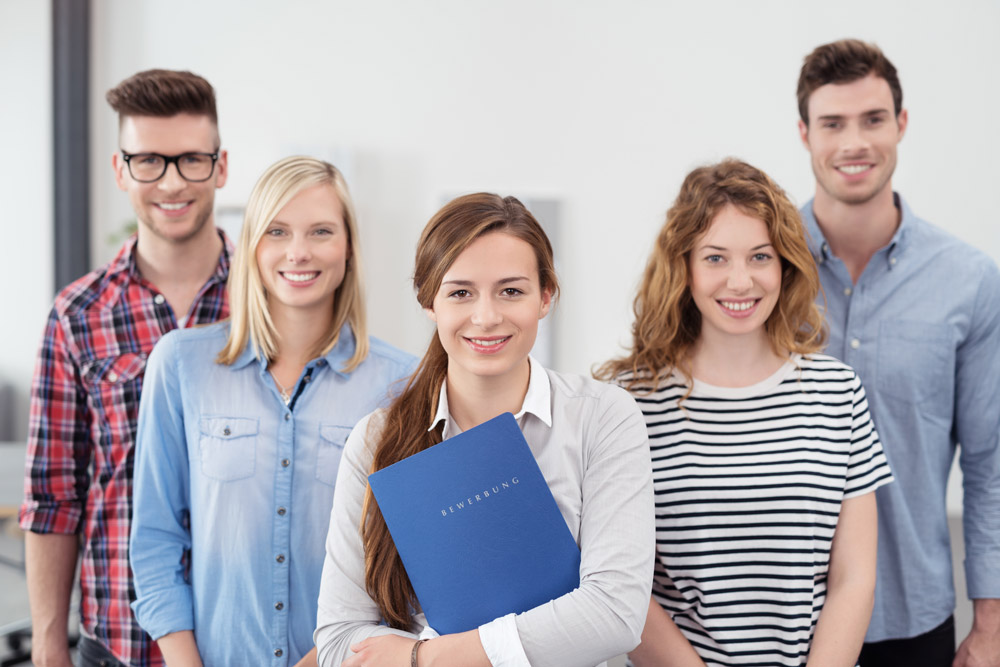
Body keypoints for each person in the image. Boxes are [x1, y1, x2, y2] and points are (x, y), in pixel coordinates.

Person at [314, 193, 654, 667]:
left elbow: (615, 612)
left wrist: (425, 657)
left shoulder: (603, 417)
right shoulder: (376, 440)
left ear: (546, 296)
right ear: (429, 303)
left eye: (511, 291)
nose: (487, 316)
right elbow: (337, 642)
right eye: (460, 292)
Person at [599, 159, 894, 666]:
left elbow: (854, 578)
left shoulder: (837, 392)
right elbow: (621, 587)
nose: (740, 281)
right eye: (715, 258)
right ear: (683, 266)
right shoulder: (627, 404)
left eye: (760, 256)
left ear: (785, 265)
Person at [128, 156, 415, 666]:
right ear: (250, 247)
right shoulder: (181, 365)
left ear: (348, 248)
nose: (299, 252)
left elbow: (408, 564)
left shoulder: (402, 385)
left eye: (321, 231)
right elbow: (155, 539)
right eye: (277, 231)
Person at [795, 39, 1000, 667]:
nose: (854, 142)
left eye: (873, 119)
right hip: (779, 622)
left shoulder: (968, 281)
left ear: (901, 125)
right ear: (804, 134)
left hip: (913, 617)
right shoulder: (757, 276)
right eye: (833, 123)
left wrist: (990, 623)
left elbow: (991, 464)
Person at [19, 69, 231, 667]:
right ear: (120, 170)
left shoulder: (270, 304)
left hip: (244, 641)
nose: (170, 182)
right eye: (148, 162)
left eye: (191, 159)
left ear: (220, 167)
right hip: (117, 642)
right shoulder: (77, 315)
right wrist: (46, 644)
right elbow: (52, 495)